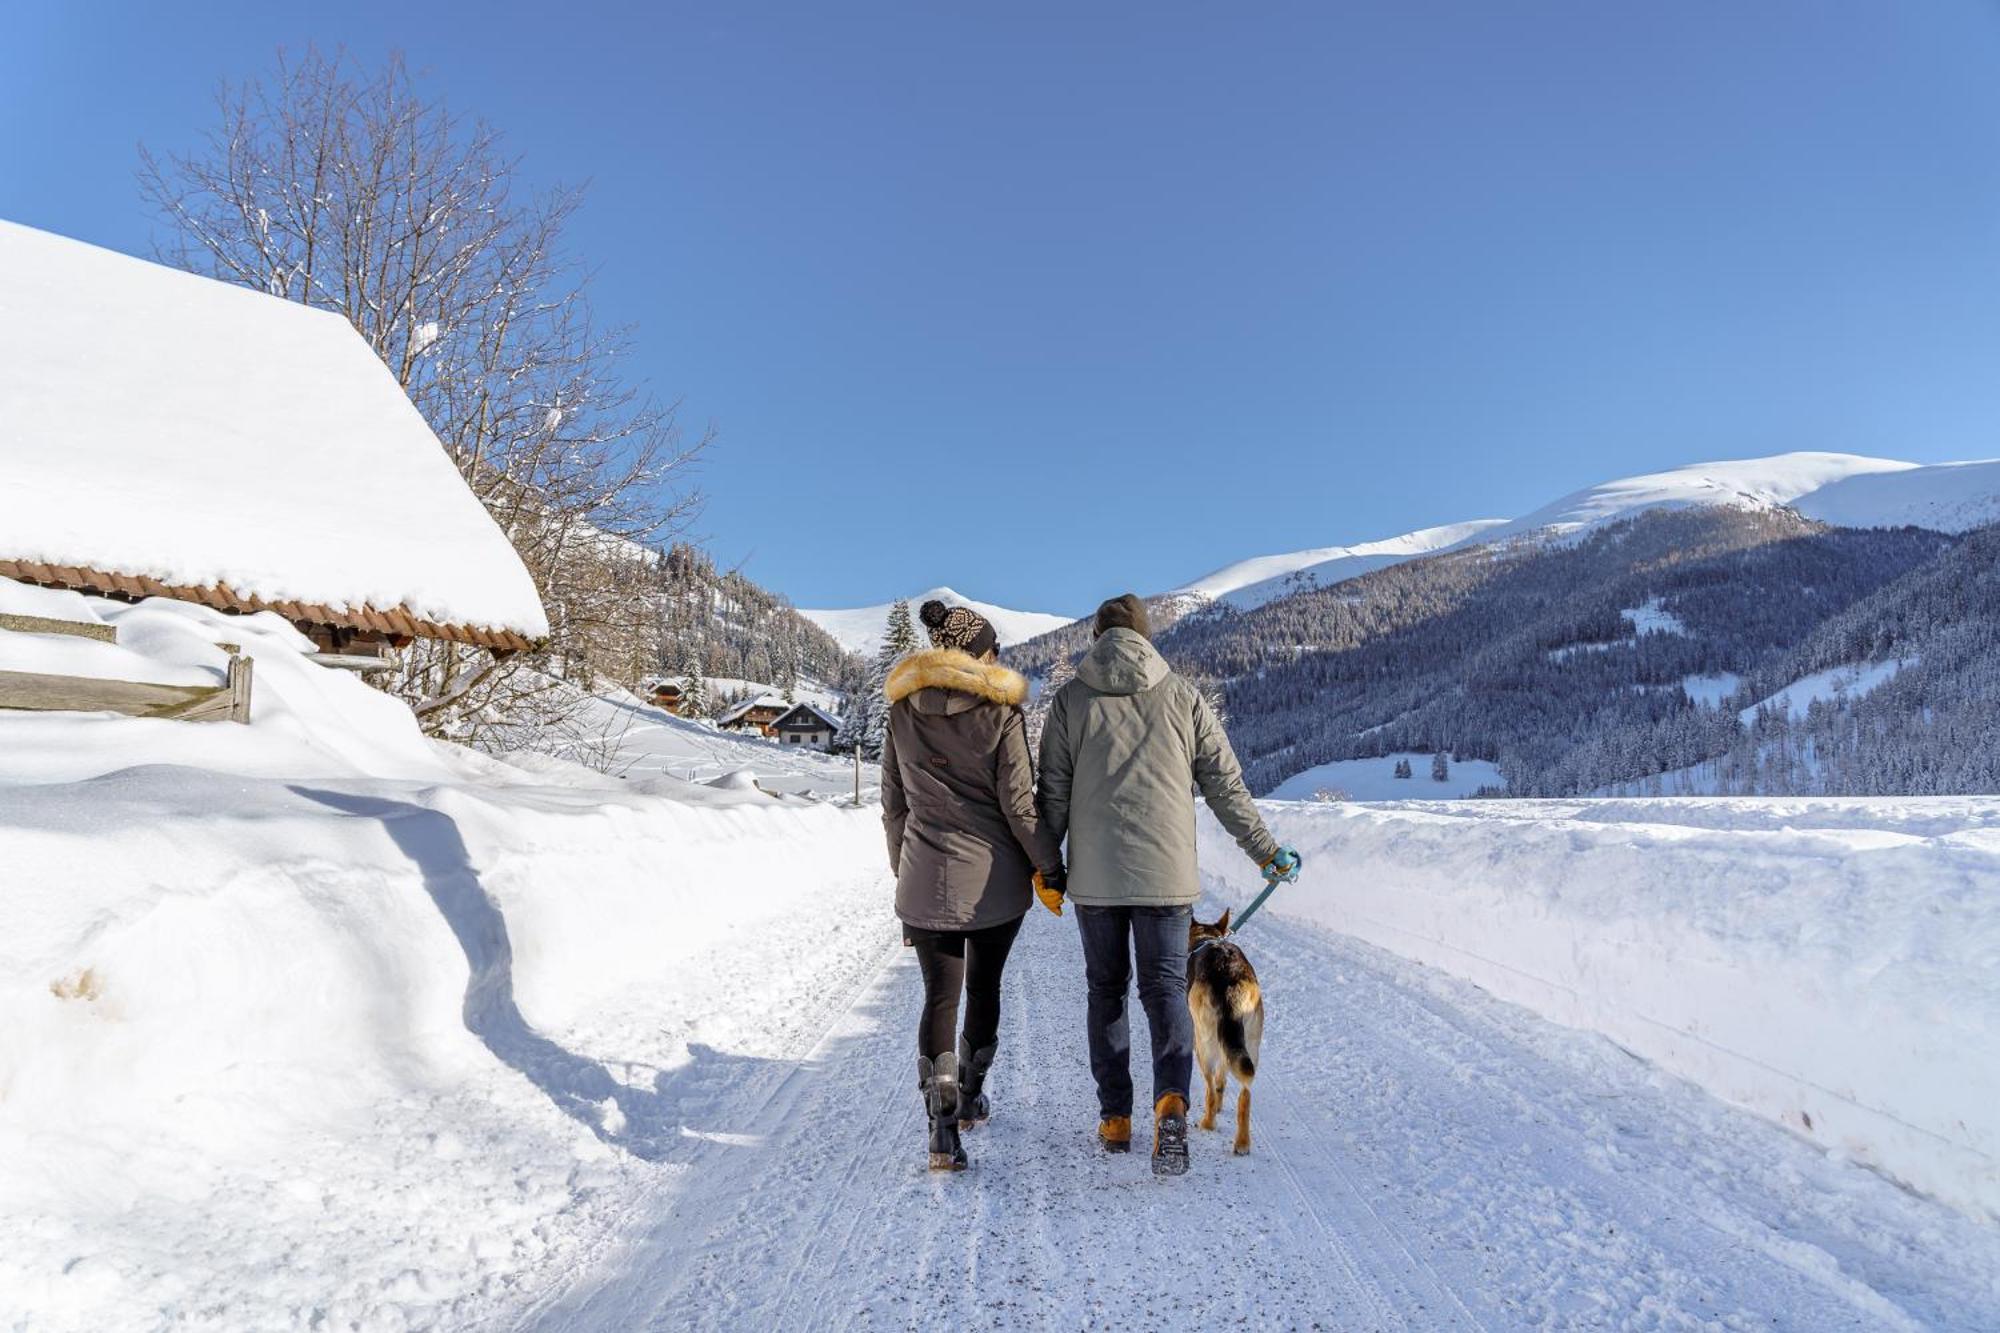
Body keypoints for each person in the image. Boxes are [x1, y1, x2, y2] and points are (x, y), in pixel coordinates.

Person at [1035, 593, 1299, 1175]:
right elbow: (1226, 787)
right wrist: (1267, 853)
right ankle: (1173, 1105)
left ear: (1098, 637)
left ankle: (1115, 1119)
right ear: (1146, 637)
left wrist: (1048, 869)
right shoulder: (1183, 698)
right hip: (1166, 878)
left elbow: (1050, 794)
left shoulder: (1071, 700)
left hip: (1096, 882)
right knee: (1162, 990)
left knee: (1106, 990)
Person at [881, 599, 1066, 1172]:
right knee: (983, 991)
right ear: (984, 653)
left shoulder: (902, 710)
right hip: (993, 886)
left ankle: (940, 1128)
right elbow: (1018, 807)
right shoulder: (999, 712)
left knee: (940, 995)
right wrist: (1049, 866)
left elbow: (894, 806)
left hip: (924, 881)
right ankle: (969, 1095)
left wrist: (904, 866)